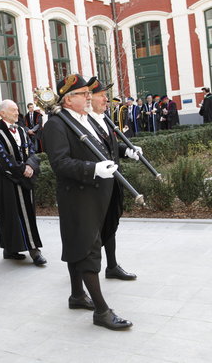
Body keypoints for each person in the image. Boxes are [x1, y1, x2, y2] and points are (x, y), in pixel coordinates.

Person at [43, 74, 136, 330]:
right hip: (78, 197)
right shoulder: (57, 125)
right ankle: (102, 311)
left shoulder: (82, 119)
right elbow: (59, 164)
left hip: (95, 196)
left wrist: (124, 152)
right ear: (68, 99)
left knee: (79, 245)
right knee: (88, 250)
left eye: (87, 93)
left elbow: (104, 148)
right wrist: (93, 169)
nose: (88, 97)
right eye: (83, 94)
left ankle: (76, 296)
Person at [0, 99, 46, 266]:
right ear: (2, 113)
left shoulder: (22, 131)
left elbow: (32, 151)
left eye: (17, 110)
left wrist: (31, 165)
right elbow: (2, 159)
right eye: (13, 110)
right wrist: (22, 169)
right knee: (11, 214)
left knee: (27, 214)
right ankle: (27, 250)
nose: (17, 113)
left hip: (25, 178)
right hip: (8, 181)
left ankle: (19, 248)